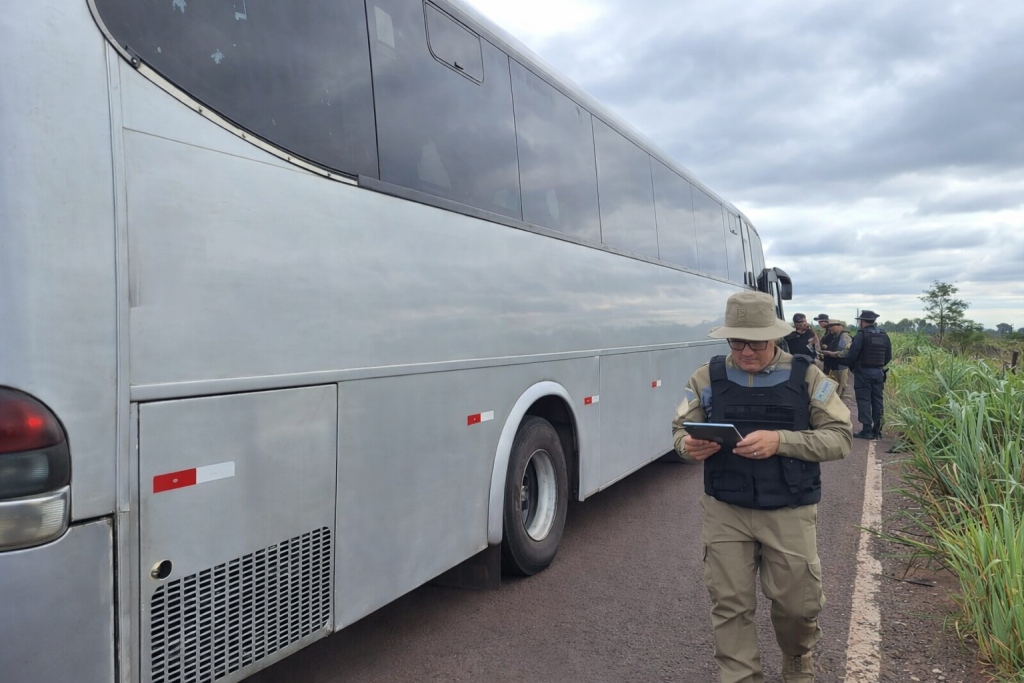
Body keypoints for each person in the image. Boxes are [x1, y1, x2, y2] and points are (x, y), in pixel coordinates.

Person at [672, 291, 853, 683]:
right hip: (726, 509)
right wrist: (687, 446)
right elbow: (679, 430)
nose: (745, 351)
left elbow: (841, 437)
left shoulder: (807, 376)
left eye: (755, 342)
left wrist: (782, 441)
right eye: (736, 342)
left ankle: (797, 656)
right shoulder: (706, 377)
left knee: (798, 606)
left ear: (773, 337)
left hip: (788, 509)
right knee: (730, 603)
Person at [837, 310, 892, 439]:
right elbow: (888, 356)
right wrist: (878, 365)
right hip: (878, 372)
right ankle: (877, 430)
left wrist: (852, 367)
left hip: (864, 373)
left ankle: (867, 430)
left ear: (861, 321)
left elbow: (852, 354)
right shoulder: (884, 335)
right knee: (878, 401)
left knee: (864, 400)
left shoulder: (861, 334)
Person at [819, 320, 853, 400]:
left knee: (839, 391)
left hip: (840, 368)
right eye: (829, 326)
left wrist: (830, 353)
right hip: (834, 367)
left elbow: (846, 352)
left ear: (840, 326)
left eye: (832, 326)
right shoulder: (834, 336)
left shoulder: (844, 336)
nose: (829, 328)